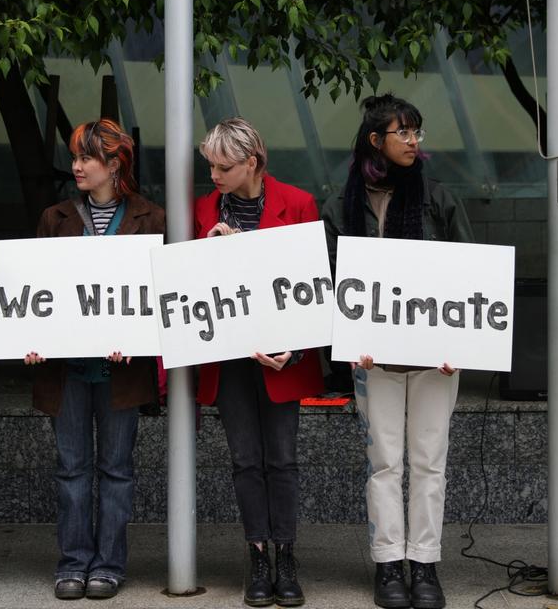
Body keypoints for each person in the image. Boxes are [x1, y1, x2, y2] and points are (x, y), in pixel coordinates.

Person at [322, 94, 473, 609]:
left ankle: (424, 565)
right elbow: (330, 284)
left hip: (436, 358)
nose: (412, 142)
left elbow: (472, 277)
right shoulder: (341, 203)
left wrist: (464, 341)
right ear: (375, 140)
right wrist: (347, 341)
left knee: (430, 461)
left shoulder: (438, 198)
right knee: (384, 463)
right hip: (374, 360)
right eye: (402, 132)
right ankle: (389, 564)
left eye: (417, 132)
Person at [24, 119, 164, 601]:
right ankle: (73, 562)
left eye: (86, 158)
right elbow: (33, 289)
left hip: (121, 371)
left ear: (114, 164)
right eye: (76, 156)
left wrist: (139, 335)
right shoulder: (54, 217)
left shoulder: (152, 219)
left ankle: (108, 564)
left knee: (117, 469)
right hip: (66, 370)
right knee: (71, 469)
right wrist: (29, 335)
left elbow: (159, 297)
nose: (76, 166)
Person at [192, 117, 324, 607]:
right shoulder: (202, 208)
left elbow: (314, 284)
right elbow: (184, 283)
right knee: (245, 460)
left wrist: (298, 347)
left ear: (252, 162)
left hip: (280, 358)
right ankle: (257, 556)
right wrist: (206, 252)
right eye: (210, 166)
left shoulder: (299, 203)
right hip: (227, 357)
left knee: (281, 459)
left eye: (223, 167)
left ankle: (286, 556)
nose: (214, 176)